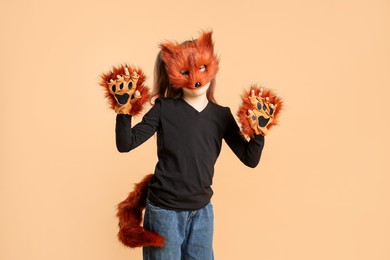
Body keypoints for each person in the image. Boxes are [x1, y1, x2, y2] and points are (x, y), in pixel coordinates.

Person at [102, 31, 281, 260]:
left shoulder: (221, 116)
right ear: (171, 72)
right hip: (164, 212)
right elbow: (126, 144)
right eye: (186, 72)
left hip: (202, 213)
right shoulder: (163, 109)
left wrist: (258, 132)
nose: (196, 78)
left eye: (202, 68)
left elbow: (250, 159)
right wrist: (123, 111)